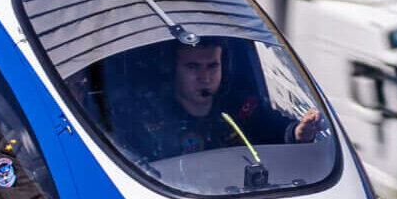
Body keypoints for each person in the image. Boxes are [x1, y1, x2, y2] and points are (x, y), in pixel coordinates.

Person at [122, 38, 325, 160]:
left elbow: (272, 126)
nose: (205, 78)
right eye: (193, 67)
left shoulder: (236, 108)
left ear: (224, 67)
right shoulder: (152, 121)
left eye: (212, 66)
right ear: (172, 69)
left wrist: (299, 133)